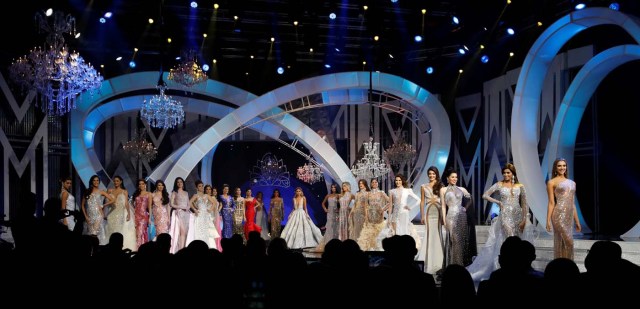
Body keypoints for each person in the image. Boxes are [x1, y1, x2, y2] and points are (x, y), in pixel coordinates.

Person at [467, 163, 534, 282]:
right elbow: (485, 195)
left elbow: (524, 203)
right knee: (510, 238)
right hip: (505, 216)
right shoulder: (499, 184)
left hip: (518, 215)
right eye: (504, 172)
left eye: (508, 172)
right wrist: (497, 202)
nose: (506, 174)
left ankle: (518, 267)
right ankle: (508, 267)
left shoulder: (520, 186)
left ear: (513, 173)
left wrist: (525, 219)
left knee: (518, 241)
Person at [546, 157, 581, 260]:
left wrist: (577, 221)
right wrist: (548, 220)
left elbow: (573, 204)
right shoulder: (551, 182)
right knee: (569, 241)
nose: (562, 168)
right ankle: (564, 264)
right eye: (559, 165)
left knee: (565, 243)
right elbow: (551, 203)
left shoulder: (572, 183)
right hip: (558, 215)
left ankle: (566, 266)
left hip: (569, 216)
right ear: (555, 168)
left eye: (564, 165)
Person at [440, 168, 472, 266]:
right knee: (454, 239)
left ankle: (459, 264)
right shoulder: (443, 189)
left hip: (461, 216)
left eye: (456, 177)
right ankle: (453, 264)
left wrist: (465, 208)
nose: (455, 179)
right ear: (447, 178)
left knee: (460, 240)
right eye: (452, 177)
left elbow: (470, 199)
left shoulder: (461, 189)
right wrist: (444, 221)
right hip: (450, 216)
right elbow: (443, 206)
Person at [418, 166, 445, 274]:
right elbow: (422, 201)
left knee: (438, 234)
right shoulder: (423, 186)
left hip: (438, 211)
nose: (431, 175)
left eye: (433, 174)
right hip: (429, 212)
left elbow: (443, 202)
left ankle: (440, 260)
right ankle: (428, 260)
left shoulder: (441, 185)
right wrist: (422, 215)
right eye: (430, 174)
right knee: (429, 234)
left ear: (436, 174)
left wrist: (444, 216)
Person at [81, 175, 114, 245]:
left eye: (97, 180)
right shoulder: (87, 191)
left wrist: (103, 205)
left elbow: (112, 200)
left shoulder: (101, 192)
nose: (96, 182)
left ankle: (96, 249)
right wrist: (86, 217)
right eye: (94, 180)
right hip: (89, 216)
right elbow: (82, 205)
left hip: (98, 215)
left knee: (94, 233)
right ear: (91, 182)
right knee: (90, 234)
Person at [357, 178, 388, 251]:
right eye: (373, 182)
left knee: (378, 234)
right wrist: (366, 217)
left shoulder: (381, 193)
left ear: (377, 183)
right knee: (368, 235)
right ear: (371, 184)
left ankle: (378, 249)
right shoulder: (368, 194)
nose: (374, 183)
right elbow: (365, 206)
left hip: (379, 217)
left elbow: (390, 201)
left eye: (375, 182)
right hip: (370, 216)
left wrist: (383, 209)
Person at [106, 175, 136, 251]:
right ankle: (109, 248)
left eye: (117, 181)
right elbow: (106, 202)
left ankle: (117, 248)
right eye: (114, 181)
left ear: (120, 182)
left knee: (118, 230)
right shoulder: (109, 191)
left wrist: (129, 214)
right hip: (111, 213)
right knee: (110, 229)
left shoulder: (124, 191)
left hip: (120, 213)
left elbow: (126, 203)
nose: (116, 182)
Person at [186, 180, 219, 249]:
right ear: (196, 188)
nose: (201, 187)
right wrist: (195, 209)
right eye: (199, 186)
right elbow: (189, 203)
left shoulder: (206, 195)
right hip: (199, 215)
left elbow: (214, 203)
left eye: (202, 186)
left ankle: (206, 246)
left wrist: (210, 210)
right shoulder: (196, 195)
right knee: (199, 231)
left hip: (206, 215)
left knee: (206, 231)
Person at [388, 174, 420, 239]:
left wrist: (410, 207)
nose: (398, 182)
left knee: (404, 232)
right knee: (395, 233)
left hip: (404, 213)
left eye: (399, 180)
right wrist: (389, 218)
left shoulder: (407, 190)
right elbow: (390, 206)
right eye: (396, 180)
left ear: (402, 181)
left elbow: (419, 200)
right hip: (395, 214)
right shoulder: (392, 191)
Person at [315, 183, 340, 251]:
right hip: (329, 213)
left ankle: (336, 242)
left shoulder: (338, 195)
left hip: (335, 213)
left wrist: (339, 209)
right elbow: (323, 203)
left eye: (334, 187)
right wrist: (325, 209)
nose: (333, 189)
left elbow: (342, 203)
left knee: (335, 227)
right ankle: (328, 242)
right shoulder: (328, 195)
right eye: (332, 187)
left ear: (336, 188)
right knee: (329, 227)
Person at [169, 177, 190, 253]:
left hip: (186, 214)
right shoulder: (174, 192)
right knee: (182, 231)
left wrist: (187, 208)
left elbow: (188, 204)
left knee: (186, 232)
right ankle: (180, 250)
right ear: (176, 184)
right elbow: (171, 204)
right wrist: (181, 207)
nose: (179, 183)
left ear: (183, 183)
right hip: (179, 213)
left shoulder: (186, 192)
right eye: (178, 182)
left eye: (181, 182)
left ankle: (184, 248)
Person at [132, 179, 153, 249]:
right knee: (136, 233)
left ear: (145, 185)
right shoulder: (136, 194)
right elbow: (133, 206)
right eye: (139, 184)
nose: (141, 185)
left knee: (140, 232)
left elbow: (150, 206)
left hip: (143, 216)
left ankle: (139, 249)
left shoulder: (149, 194)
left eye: (142, 184)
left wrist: (150, 218)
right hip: (136, 216)